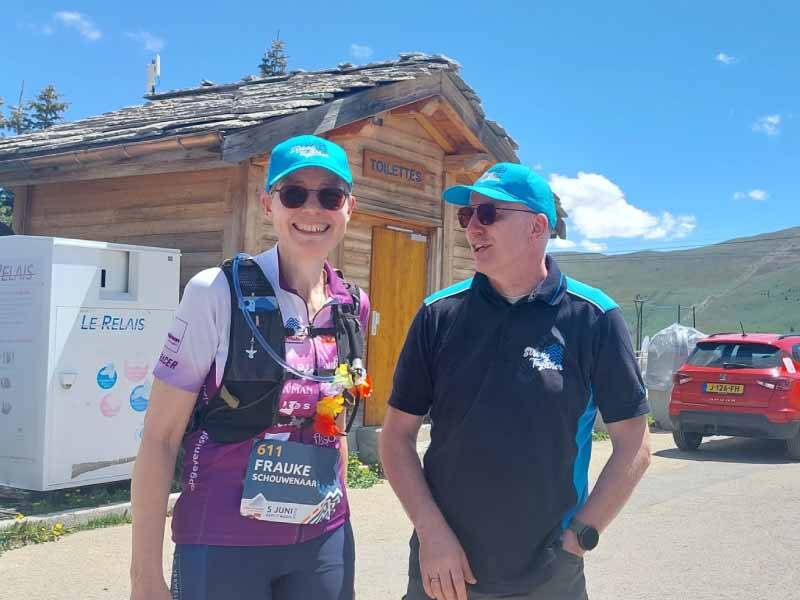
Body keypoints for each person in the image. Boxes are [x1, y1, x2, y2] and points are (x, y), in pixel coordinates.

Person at [380, 163, 651, 600]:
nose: (472, 228)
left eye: (488, 214)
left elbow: (634, 443)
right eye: (467, 216)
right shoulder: (438, 315)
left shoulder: (593, 318)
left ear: (537, 227)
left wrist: (580, 537)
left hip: (548, 574)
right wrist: (432, 534)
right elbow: (396, 438)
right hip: (445, 570)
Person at [130, 134, 370, 600]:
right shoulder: (216, 292)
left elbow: (334, 424)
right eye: (294, 194)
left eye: (330, 195)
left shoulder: (352, 306)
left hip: (323, 538)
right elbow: (159, 438)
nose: (312, 209)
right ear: (267, 205)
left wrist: (341, 520)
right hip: (222, 540)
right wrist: (144, 577)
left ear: (348, 208)